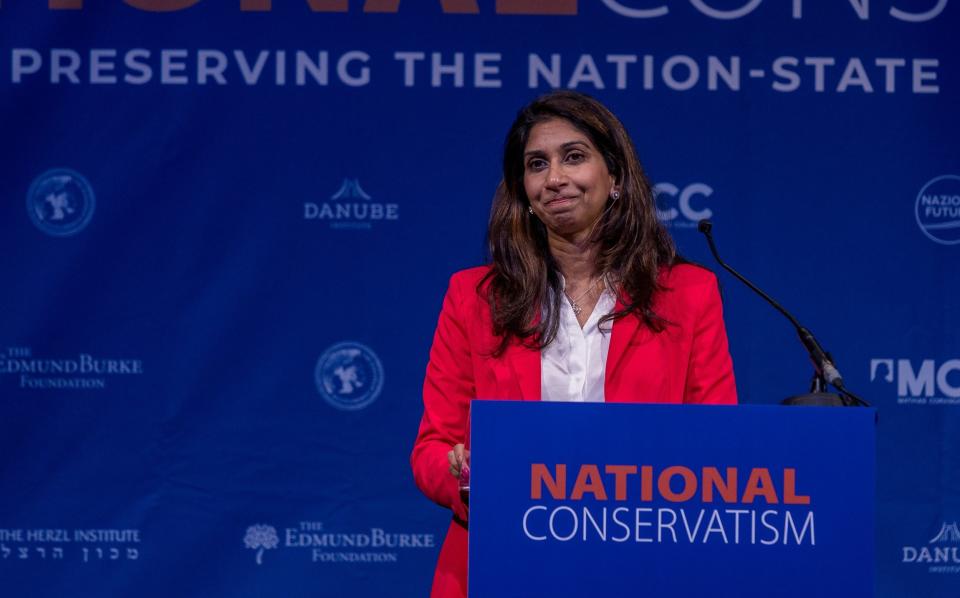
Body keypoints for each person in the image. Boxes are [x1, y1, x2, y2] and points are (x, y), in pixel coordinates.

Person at [410, 90, 737, 598]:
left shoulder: (688, 294)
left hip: (643, 564)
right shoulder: (474, 298)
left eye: (574, 157)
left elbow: (717, 440)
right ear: (523, 189)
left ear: (617, 178)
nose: (555, 178)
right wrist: (468, 478)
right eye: (537, 164)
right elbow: (433, 448)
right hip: (502, 562)